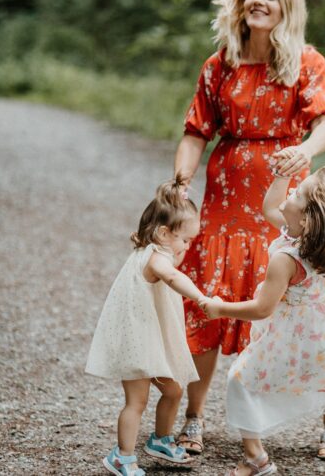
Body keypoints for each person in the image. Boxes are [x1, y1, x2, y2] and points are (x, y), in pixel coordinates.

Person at [172, 0, 325, 459]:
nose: (260, 0)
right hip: (224, 204)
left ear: (287, 6)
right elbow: (195, 130)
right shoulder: (220, 66)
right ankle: (193, 418)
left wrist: (305, 149)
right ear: (240, 2)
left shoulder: (307, 63)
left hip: (286, 201)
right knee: (207, 303)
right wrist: (182, 179)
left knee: (308, 306)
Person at [199, 166, 325, 475]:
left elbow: (262, 309)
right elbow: (271, 207)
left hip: (295, 332)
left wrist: (221, 309)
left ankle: (255, 457)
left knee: (240, 381)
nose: (291, 191)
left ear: (306, 220)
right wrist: (281, 173)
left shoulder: (285, 259)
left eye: (298, 193)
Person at [85, 178, 206, 476]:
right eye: (185, 240)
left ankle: (161, 439)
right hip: (137, 342)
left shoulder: (159, 250)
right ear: (164, 233)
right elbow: (174, 279)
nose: (187, 248)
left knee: (175, 390)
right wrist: (202, 298)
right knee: (136, 402)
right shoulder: (156, 258)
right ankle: (122, 456)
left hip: (152, 340)